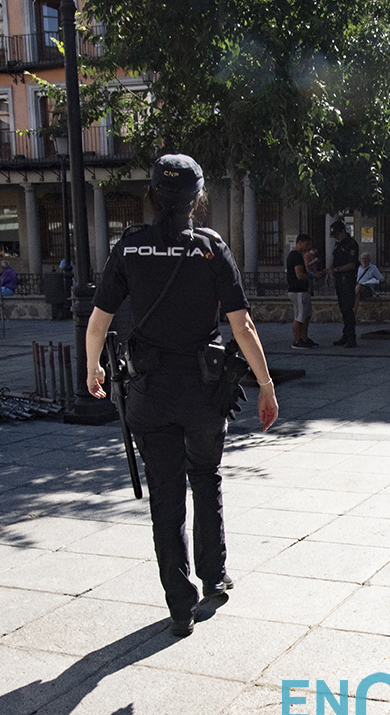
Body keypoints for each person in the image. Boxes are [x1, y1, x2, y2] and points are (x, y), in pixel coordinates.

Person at [86, 153, 279, 638]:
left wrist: (93, 368)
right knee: (206, 478)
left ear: (152, 194)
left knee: (165, 499)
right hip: (204, 391)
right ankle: (214, 575)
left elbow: (99, 320)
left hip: (149, 392)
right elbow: (242, 324)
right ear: (197, 200)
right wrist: (265, 383)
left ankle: (179, 605)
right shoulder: (211, 248)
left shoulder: (128, 248)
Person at [328, 219, 360, 347]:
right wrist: (330, 270)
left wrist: (336, 269)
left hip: (347, 280)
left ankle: (351, 338)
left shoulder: (351, 244)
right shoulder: (338, 244)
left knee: (348, 309)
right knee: (343, 309)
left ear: (343, 231)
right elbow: (334, 258)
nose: (336, 237)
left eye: (337, 234)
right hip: (339, 280)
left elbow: (352, 264)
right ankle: (345, 335)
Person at [285, 234, 318, 349]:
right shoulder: (295, 256)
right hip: (297, 290)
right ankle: (297, 340)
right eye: (307, 244)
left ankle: (304, 338)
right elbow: (299, 275)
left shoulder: (299, 256)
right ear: (300, 243)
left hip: (303, 290)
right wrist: (312, 275)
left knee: (306, 315)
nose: (308, 247)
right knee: (300, 316)